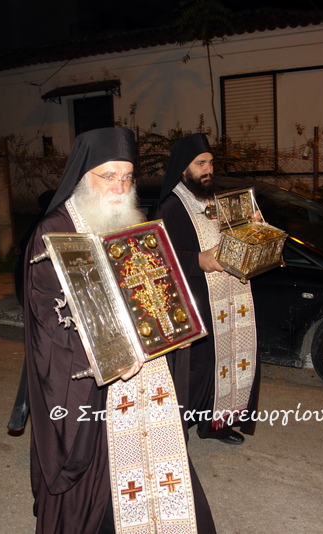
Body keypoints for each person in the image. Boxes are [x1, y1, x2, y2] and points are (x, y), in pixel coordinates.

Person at [22, 127, 216, 533]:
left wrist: (173, 323)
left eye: (127, 176)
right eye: (109, 175)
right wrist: (103, 354)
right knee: (106, 472)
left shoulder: (135, 219)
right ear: (83, 176)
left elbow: (157, 284)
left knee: (159, 459)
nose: (120, 186)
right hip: (97, 379)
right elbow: (46, 315)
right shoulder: (53, 229)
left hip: (148, 371)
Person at [154, 133, 260, 445]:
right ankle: (178, 433)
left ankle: (217, 425)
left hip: (231, 298)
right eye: (200, 163)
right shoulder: (170, 207)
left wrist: (253, 229)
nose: (208, 169)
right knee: (196, 370)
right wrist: (197, 260)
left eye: (211, 163)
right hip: (195, 301)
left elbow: (236, 243)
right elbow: (158, 259)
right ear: (183, 168)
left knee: (227, 362)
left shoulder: (218, 201)